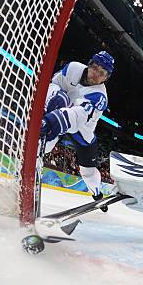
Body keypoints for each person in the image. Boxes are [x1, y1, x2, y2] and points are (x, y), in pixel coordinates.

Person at [39, 51, 114, 207]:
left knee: (87, 171)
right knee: (58, 101)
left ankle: (97, 193)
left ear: (106, 78)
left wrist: (50, 119)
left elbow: (79, 116)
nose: (95, 74)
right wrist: (53, 104)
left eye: (101, 73)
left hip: (82, 131)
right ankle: (36, 157)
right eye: (94, 67)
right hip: (62, 110)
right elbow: (53, 84)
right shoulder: (73, 68)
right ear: (89, 64)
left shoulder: (100, 97)